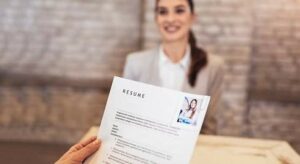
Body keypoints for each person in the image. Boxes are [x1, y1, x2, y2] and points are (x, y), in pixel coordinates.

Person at [123, 0, 224, 134]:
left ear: (193, 17)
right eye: (163, 12)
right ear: (156, 18)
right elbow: (125, 121)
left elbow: (209, 128)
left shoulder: (212, 66)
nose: (170, 19)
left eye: (179, 10)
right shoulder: (135, 63)